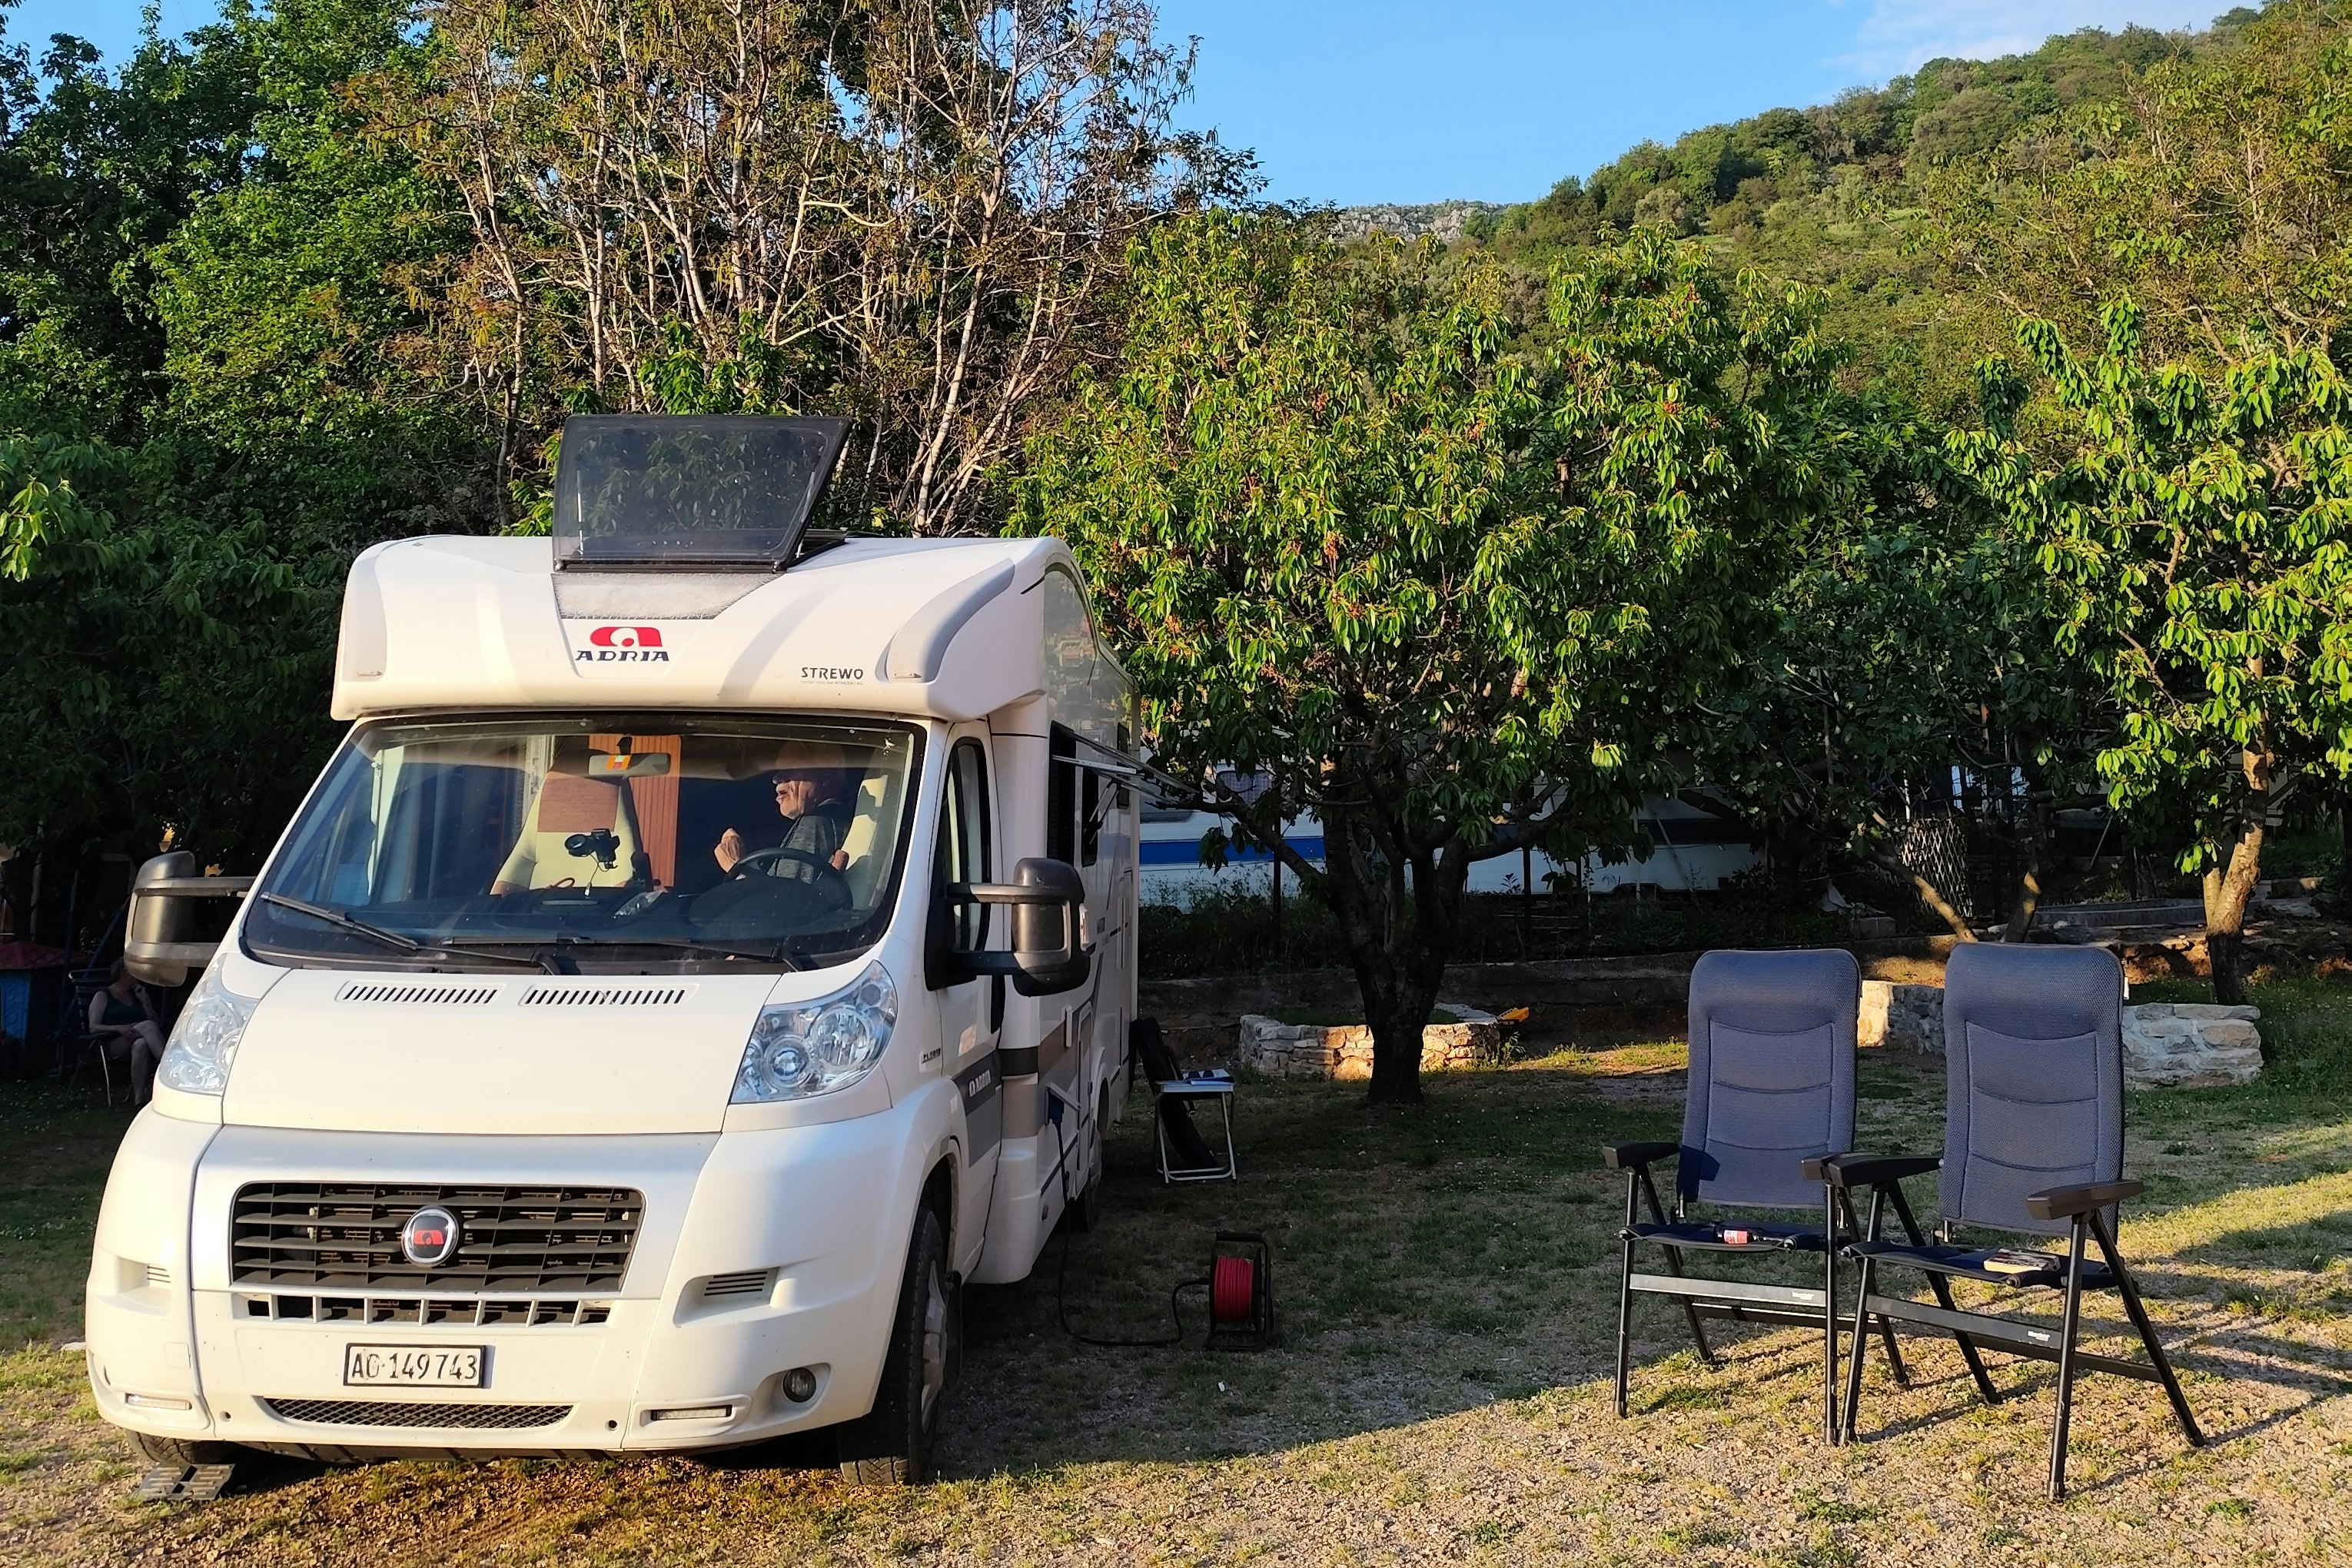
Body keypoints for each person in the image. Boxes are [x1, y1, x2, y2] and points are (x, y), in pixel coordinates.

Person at [713, 741, 856, 882]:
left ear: (828, 774)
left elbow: (784, 902)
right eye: (778, 770)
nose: (776, 779)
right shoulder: (835, 819)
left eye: (791, 767)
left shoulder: (816, 823)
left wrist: (737, 868)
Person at [88, 963, 165, 1108]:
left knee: (141, 1044)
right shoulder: (103, 995)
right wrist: (118, 1028)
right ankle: (166, 1066)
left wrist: (145, 1001)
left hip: (138, 1037)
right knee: (146, 1026)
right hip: (111, 1042)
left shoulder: (137, 995)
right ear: (124, 973)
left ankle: (139, 1099)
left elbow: (156, 1023)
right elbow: (93, 1027)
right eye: (136, 971)